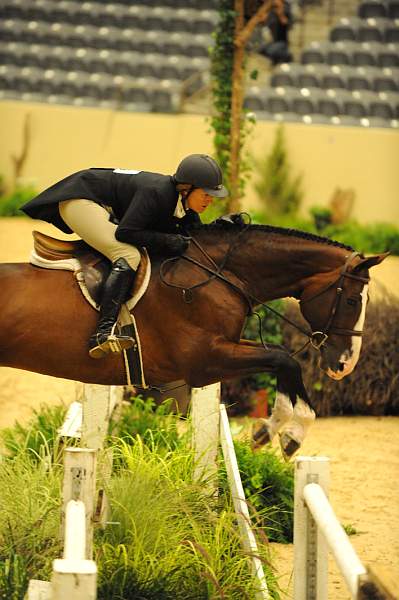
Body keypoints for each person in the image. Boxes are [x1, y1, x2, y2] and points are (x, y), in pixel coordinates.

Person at [21, 154, 228, 359]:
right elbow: (126, 233)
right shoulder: (158, 193)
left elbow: (195, 236)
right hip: (81, 202)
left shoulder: (182, 203)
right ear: (187, 187)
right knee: (128, 253)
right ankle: (103, 333)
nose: (210, 200)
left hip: (99, 203)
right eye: (206, 194)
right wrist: (167, 241)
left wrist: (224, 227)